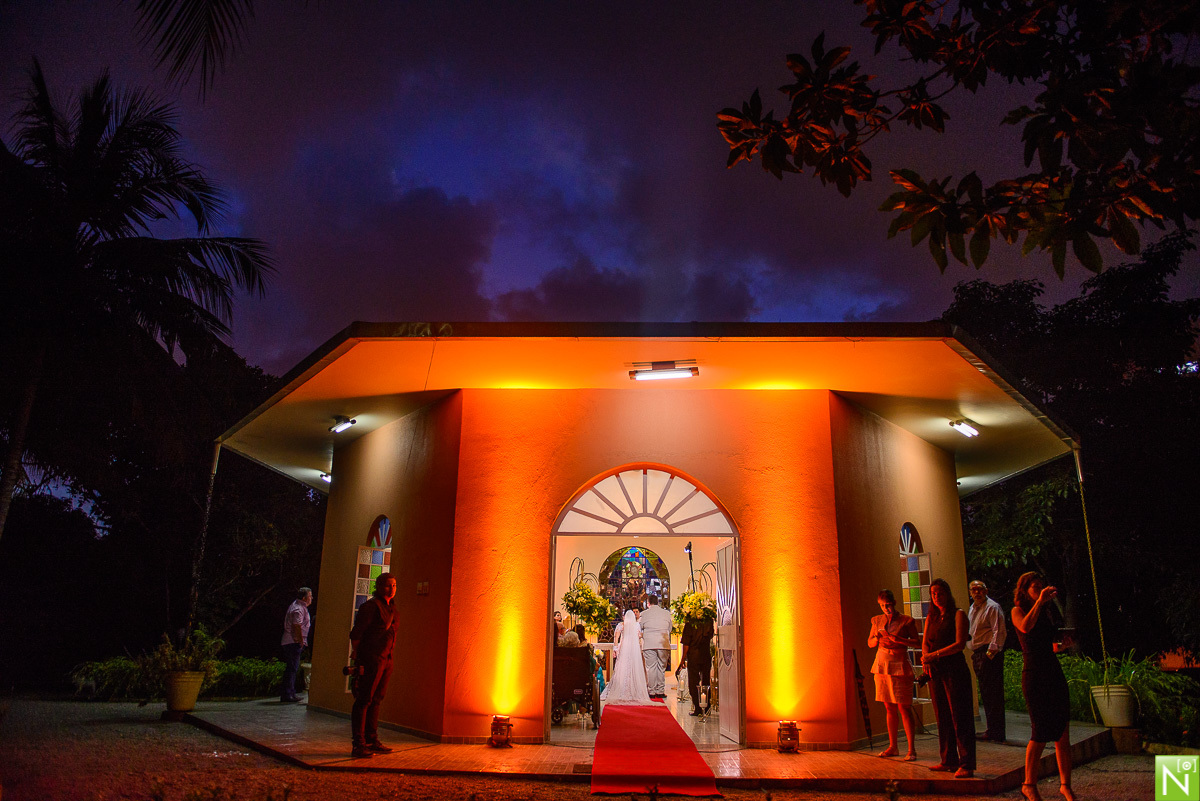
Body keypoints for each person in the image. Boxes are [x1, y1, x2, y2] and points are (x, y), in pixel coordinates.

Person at [1012, 571, 1075, 801]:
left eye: (1041, 585)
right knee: (1039, 731)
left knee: (1062, 731)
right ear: (1025, 589)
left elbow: (1050, 646)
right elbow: (1025, 628)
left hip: (1052, 671)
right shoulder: (1018, 611)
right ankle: (1028, 784)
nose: (1039, 589)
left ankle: (1065, 784)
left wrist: (1063, 645)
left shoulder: (1045, 611)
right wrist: (1039, 602)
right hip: (1034, 674)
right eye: (1035, 586)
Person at [922, 578, 976, 778]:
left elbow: (959, 643)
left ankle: (967, 762)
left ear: (948, 593)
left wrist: (934, 655)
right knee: (942, 715)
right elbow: (925, 641)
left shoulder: (958, 614)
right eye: (933, 593)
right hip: (936, 670)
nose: (937, 597)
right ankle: (948, 759)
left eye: (940, 593)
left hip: (954, 669)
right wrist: (926, 659)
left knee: (959, 715)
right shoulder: (932, 617)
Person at [349, 572, 398, 758]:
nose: (391, 589)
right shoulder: (370, 607)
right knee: (364, 699)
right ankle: (359, 743)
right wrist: (358, 654)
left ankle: (371, 739)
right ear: (378, 586)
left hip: (386, 658)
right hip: (371, 658)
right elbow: (357, 633)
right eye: (387, 585)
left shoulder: (392, 608)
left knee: (377, 699)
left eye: (394, 585)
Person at [868, 589, 920, 760]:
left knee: (903, 706)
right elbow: (870, 642)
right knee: (889, 706)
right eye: (882, 606)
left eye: (888, 605)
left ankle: (911, 748)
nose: (886, 608)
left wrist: (900, 640)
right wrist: (876, 638)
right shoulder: (876, 620)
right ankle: (893, 746)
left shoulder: (906, 621)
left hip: (899, 662)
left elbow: (916, 641)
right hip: (882, 663)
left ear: (894, 603)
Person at [968, 579, 1008, 742]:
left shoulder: (992, 607)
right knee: (986, 692)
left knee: (993, 693)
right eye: (973, 590)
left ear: (986, 591)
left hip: (988, 653)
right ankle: (992, 729)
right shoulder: (973, 608)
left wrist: (990, 654)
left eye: (979, 589)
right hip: (978, 653)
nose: (976, 593)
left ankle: (997, 731)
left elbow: (999, 631)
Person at [600, 608, 654, 705]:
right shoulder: (636, 625)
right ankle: (634, 691)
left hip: (624, 647)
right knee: (633, 668)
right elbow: (639, 636)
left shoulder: (621, 625)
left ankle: (622, 690)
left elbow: (616, 638)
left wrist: (615, 649)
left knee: (622, 668)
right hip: (633, 649)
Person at [279, 586, 313, 703]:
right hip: (292, 642)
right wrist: (300, 640)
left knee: (292, 668)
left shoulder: (298, 606)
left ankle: (290, 693)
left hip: (292, 641)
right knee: (292, 668)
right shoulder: (298, 608)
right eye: (310, 596)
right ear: (304, 598)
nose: (311, 598)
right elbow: (296, 625)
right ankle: (287, 694)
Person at [680, 611, 715, 716]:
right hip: (705, 654)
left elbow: (686, 643)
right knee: (705, 681)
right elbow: (711, 635)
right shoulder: (708, 622)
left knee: (694, 682)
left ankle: (698, 708)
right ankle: (706, 706)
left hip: (694, 655)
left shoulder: (690, 623)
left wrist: (683, 659)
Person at [639, 594, 673, 700]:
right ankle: (660, 691)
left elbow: (640, 628)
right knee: (661, 668)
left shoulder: (644, 614)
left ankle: (651, 691)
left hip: (649, 643)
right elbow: (670, 628)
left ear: (648, 603)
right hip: (663, 643)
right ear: (658, 602)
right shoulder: (666, 613)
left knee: (651, 668)